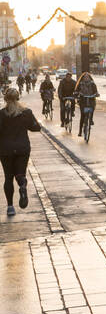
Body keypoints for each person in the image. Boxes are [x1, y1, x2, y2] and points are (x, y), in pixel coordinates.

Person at [0, 86, 41, 216]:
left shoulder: (1, 114)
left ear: (5, 99)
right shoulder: (26, 112)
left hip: (5, 149)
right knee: (20, 174)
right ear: (18, 97)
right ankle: (22, 186)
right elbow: (36, 128)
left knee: (8, 177)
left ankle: (10, 207)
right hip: (23, 148)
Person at [74, 70, 100, 135]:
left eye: (87, 77)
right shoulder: (80, 84)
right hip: (83, 100)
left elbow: (96, 91)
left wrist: (97, 94)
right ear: (83, 78)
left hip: (91, 99)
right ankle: (80, 131)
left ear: (89, 77)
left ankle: (91, 119)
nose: (86, 78)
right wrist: (76, 94)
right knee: (82, 115)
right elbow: (76, 90)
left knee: (92, 108)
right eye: (85, 77)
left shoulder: (92, 84)